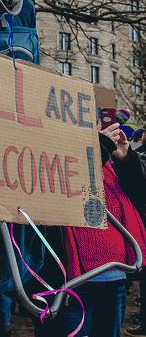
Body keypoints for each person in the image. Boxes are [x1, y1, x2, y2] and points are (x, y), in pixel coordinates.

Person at [30, 128, 146, 337]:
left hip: (114, 279)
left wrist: (126, 159)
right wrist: (100, 147)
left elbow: (139, 192)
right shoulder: (53, 157)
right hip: (71, 285)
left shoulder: (108, 164)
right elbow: (73, 178)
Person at [104, 122, 146, 336]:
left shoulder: (117, 161)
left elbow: (138, 194)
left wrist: (126, 159)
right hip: (76, 278)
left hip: (114, 274)